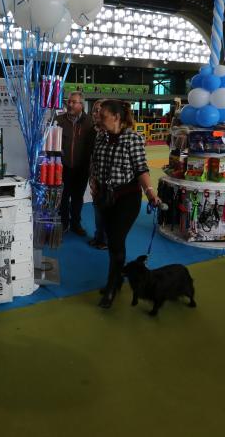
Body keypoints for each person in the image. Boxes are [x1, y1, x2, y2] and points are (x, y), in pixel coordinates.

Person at [90, 99, 159, 309]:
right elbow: (95, 162)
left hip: (127, 199)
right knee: (111, 240)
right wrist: (94, 181)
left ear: (116, 117)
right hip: (104, 198)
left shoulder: (133, 139)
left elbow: (141, 169)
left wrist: (150, 192)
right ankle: (118, 278)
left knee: (117, 240)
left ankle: (112, 287)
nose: (98, 118)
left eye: (103, 115)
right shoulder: (100, 136)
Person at [55, 91, 95, 236]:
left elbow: (93, 147)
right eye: (69, 101)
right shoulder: (58, 120)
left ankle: (76, 224)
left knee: (78, 197)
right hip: (62, 166)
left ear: (81, 105)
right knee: (63, 197)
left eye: (73, 102)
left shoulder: (90, 122)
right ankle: (64, 223)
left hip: (82, 167)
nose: (70, 104)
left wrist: (92, 168)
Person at [88, 99, 107, 250]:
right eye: (94, 110)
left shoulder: (110, 131)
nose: (95, 114)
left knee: (105, 210)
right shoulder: (94, 130)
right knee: (97, 208)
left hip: (108, 180)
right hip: (95, 175)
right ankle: (98, 236)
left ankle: (105, 239)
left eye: (98, 110)